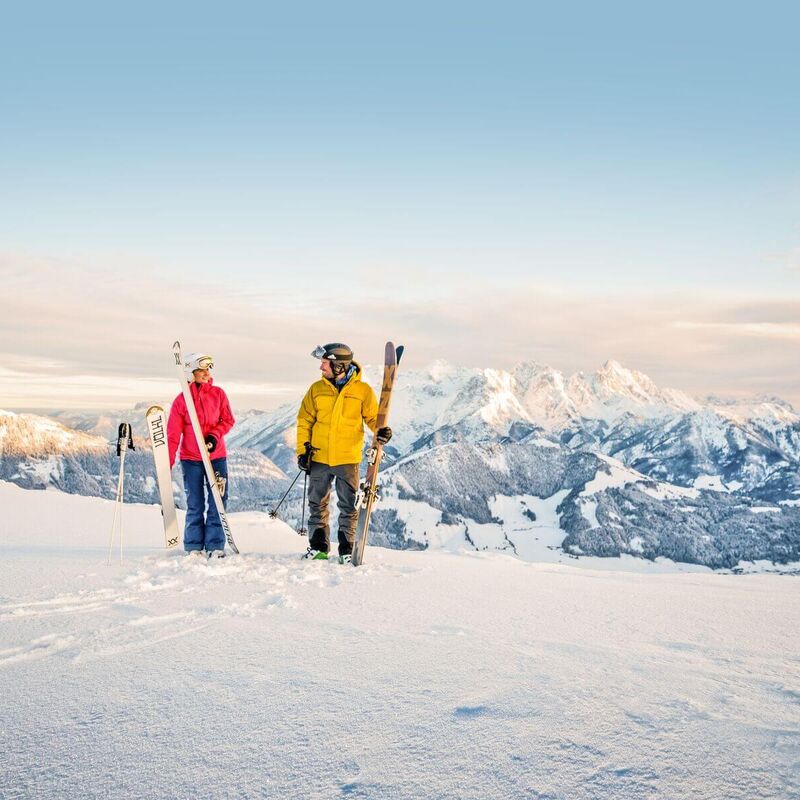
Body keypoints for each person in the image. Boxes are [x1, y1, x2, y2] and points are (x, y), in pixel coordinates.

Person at [297, 343, 392, 563]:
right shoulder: (316, 389)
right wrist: (303, 451)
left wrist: (382, 432)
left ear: (339, 366)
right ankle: (318, 548)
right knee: (317, 503)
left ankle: (346, 551)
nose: (321, 367)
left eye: (325, 363)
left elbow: (373, 420)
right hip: (319, 457)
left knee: (349, 505)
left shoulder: (362, 391)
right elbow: (304, 421)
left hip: (347, 459)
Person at [167, 352, 235, 559]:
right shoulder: (181, 402)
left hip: (216, 457)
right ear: (190, 373)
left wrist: (214, 437)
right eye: (201, 370)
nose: (207, 373)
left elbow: (228, 420)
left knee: (217, 501)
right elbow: (172, 435)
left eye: (208, 370)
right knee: (195, 503)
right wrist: (166, 464)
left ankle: (215, 544)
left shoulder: (218, 394)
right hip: (191, 459)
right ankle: (194, 545)